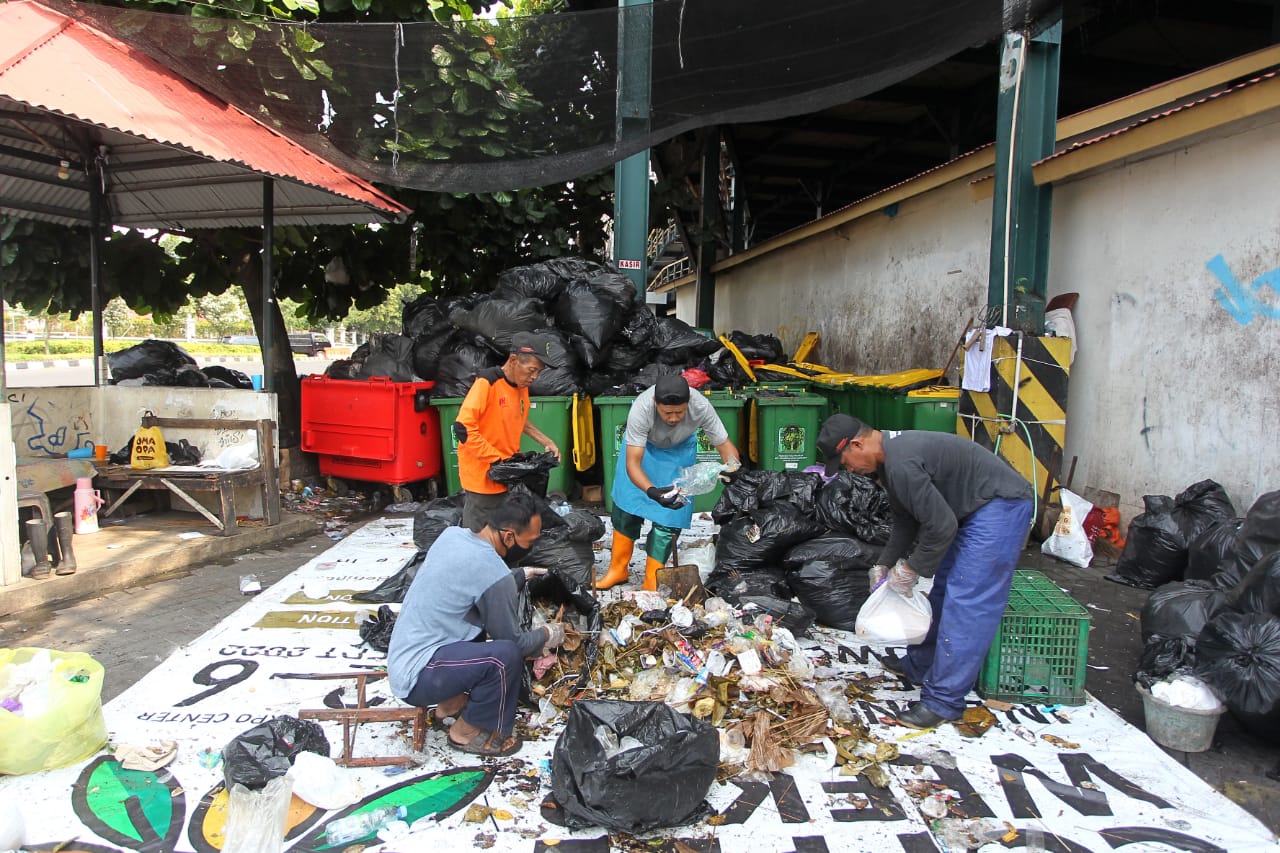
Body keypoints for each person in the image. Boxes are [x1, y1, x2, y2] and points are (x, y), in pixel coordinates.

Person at [817, 413, 1033, 730]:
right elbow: (907, 519)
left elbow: (941, 525)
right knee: (944, 589)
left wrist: (912, 568)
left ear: (857, 443)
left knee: (967, 601)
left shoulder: (901, 461)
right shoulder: (891, 462)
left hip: (998, 506)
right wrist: (886, 562)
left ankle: (944, 701)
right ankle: (920, 665)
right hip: (971, 507)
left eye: (845, 460)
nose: (849, 469)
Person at [387, 491, 566, 757]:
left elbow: (471, 576)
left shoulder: (453, 536)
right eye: (531, 541)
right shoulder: (494, 575)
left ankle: (449, 704)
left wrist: (517, 575)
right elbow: (515, 642)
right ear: (508, 536)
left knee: (477, 622)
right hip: (416, 676)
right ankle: (467, 731)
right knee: (504, 656)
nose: (532, 547)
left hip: (408, 654)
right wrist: (547, 634)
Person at [596, 375, 742, 591]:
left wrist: (733, 468)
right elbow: (633, 464)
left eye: (679, 413)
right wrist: (652, 491)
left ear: (688, 403)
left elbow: (724, 445)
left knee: (670, 517)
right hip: (642, 452)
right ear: (656, 404)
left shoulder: (700, 405)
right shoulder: (642, 407)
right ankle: (618, 570)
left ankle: (652, 579)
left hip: (678, 455)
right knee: (626, 508)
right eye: (667, 413)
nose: (674, 418)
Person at [454, 331, 564, 532]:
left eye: (538, 372)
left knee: (503, 534)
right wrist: (495, 459)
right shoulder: (487, 383)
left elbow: (518, 418)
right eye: (531, 370)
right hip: (483, 477)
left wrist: (545, 440)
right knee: (477, 538)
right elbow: (463, 427)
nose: (534, 377)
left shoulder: (520, 387)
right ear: (514, 360)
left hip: (505, 475)